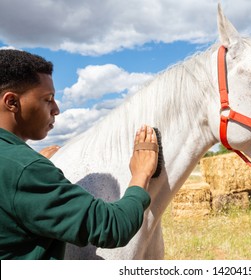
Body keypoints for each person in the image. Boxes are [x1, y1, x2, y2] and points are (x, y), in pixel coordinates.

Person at [0, 49, 158, 260]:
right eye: (48, 99)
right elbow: (113, 227)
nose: (56, 109)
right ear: (12, 102)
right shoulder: (26, 171)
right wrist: (142, 174)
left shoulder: (17, 165)